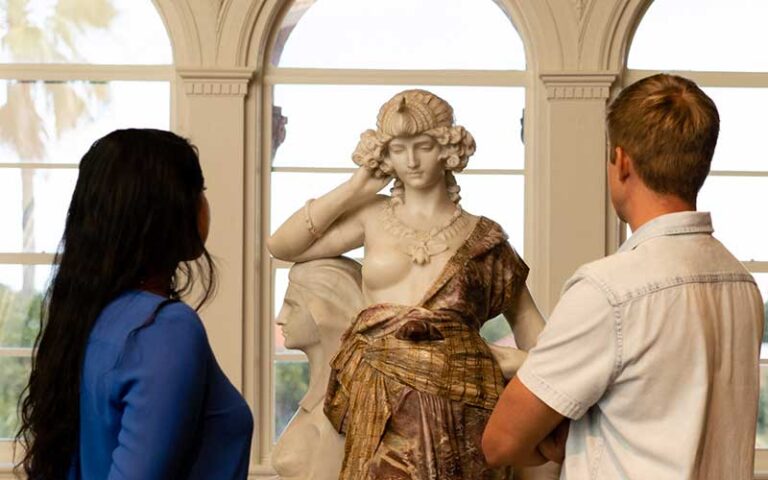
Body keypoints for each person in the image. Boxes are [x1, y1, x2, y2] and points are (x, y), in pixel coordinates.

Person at [482, 74, 765, 479]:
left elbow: (500, 443)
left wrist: (555, 434)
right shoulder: (742, 284)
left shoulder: (608, 291)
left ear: (623, 161)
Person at [268, 89, 550, 479]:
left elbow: (540, 341)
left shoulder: (485, 240)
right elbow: (282, 245)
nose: (412, 161)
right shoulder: (373, 216)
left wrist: (516, 361)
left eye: (424, 145)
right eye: (399, 149)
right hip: (376, 396)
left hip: (461, 400)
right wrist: (356, 187)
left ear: (448, 148)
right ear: (384, 154)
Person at [16, 129, 253, 479]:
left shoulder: (91, 320)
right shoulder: (164, 329)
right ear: (169, 208)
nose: (205, 203)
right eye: (199, 190)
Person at [272, 257, 364, 480]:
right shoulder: (318, 403)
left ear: (323, 312)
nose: (280, 318)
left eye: (292, 305)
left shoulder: (337, 414)